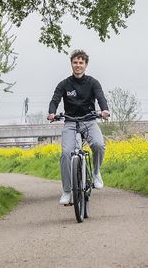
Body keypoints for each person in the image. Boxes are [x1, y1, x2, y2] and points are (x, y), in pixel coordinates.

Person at [47, 49, 110, 205]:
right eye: (75, 62)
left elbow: (101, 97)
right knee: (66, 153)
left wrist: (104, 110)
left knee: (99, 145)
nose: (78, 65)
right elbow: (54, 100)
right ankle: (67, 191)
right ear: (71, 64)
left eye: (81, 62)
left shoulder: (93, 82)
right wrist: (52, 113)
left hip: (89, 120)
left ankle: (96, 173)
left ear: (85, 65)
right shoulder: (64, 84)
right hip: (70, 122)